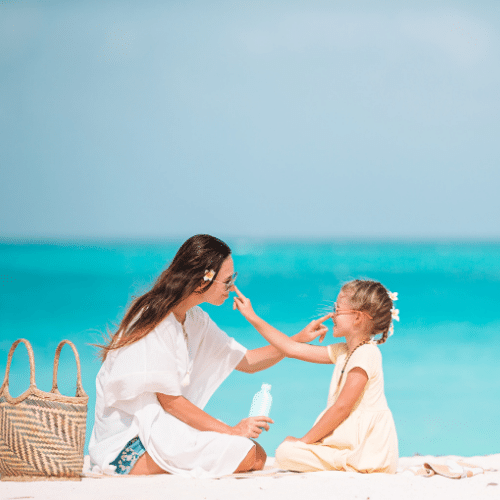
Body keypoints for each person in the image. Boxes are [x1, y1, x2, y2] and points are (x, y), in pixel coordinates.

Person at [89, 234, 329, 478]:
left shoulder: (194, 319)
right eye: (227, 281)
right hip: (128, 446)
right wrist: (232, 431)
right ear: (202, 280)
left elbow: (247, 361)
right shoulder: (155, 318)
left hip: (161, 432)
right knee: (250, 454)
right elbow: (170, 402)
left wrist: (297, 340)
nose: (232, 287)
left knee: (254, 454)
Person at [233, 279, 399, 474]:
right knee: (287, 451)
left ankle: (351, 462)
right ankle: (340, 460)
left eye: (337, 310)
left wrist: (303, 441)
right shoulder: (344, 351)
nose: (332, 315)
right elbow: (290, 349)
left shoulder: (366, 353)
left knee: (287, 452)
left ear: (357, 317)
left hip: (367, 450)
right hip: (351, 446)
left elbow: (342, 407)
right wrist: (252, 317)